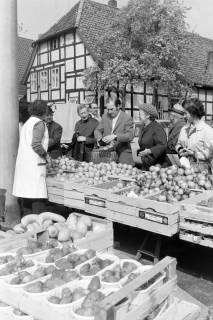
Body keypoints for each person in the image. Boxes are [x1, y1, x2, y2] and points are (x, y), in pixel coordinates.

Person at [13, 100, 49, 215]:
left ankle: (28, 228)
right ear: (44, 111)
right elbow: (36, 144)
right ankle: (39, 230)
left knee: (27, 199)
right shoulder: (39, 123)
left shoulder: (27, 123)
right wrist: (46, 155)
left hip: (25, 165)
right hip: (34, 165)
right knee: (37, 198)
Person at [94, 94, 134, 165]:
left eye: (111, 109)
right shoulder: (105, 116)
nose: (109, 112)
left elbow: (130, 135)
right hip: (107, 153)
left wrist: (115, 136)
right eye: (107, 109)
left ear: (118, 106)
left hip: (123, 153)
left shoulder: (127, 118)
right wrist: (99, 139)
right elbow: (97, 130)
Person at [176, 98, 213, 171]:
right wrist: (180, 149)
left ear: (193, 114)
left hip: (201, 172)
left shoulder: (207, 131)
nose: (184, 116)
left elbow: (209, 154)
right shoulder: (184, 128)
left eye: (185, 113)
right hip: (184, 168)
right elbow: (178, 144)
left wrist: (193, 153)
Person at [137, 103, 167, 170]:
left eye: (140, 114)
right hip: (146, 164)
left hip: (156, 166)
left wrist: (150, 151)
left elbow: (162, 145)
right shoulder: (143, 127)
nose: (138, 116)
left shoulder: (157, 128)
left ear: (147, 115)